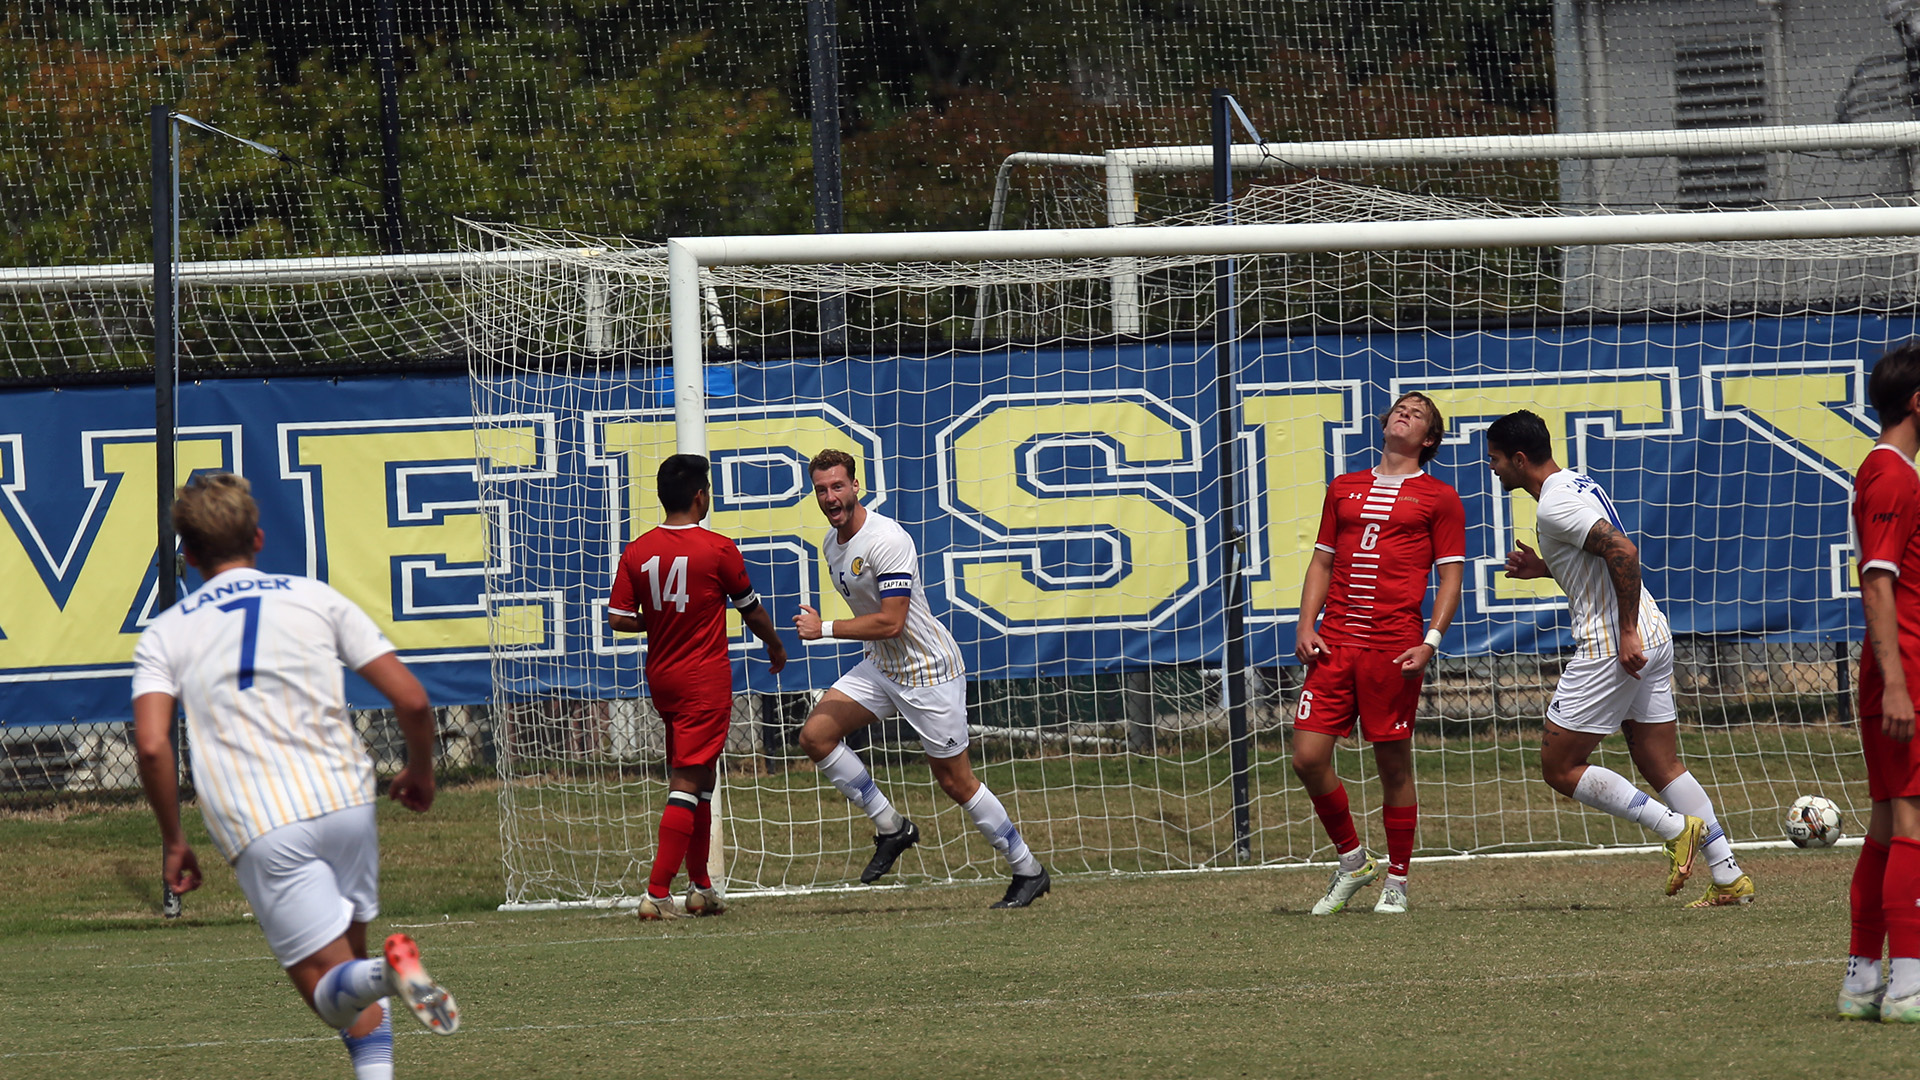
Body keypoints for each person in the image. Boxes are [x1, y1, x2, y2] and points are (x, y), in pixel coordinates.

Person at [131, 472, 459, 1080]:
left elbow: (151, 746)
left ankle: (389, 973)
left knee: (330, 990)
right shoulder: (315, 597)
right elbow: (412, 700)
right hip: (345, 799)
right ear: (258, 537)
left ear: (189, 557)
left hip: (259, 818)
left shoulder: (167, 632)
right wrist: (420, 770)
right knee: (351, 979)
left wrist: (175, 839)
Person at [1488, 410, 1749, 906]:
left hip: (1616, 642)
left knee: (1559, 766)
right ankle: (1728, 875)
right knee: (1661, 761)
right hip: (1651, 629)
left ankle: (1674, 828)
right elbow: (1595, 557)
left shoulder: (1553, 505)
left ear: (1520, 459)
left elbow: (1623, 553)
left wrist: (1626, 632)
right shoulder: (1575, 482)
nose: (1494, 468)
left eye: (1496, 460)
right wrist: (1546, 567)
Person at [791, 449, 1050, 908]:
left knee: (956, 783)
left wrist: (824, 629)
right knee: (816, 735)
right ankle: (892, 827)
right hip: (882, 666)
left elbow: (892, 621)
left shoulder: (887, 539)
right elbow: (880, 628)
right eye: (821, 490)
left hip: (927, 671)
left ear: (856, 487)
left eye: (838, 486)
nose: (831, 497)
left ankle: (1027, 869)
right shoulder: (832, 545)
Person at [1292, 392, 1465, 916]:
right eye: (1400, 408)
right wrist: (1306, 624)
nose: (1405, 414)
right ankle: (1353, 860)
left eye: (1418, 413)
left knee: (1392, 764)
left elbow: (1451, 576)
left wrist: (1429, 641)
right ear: (1385, 422)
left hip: (1393, 647)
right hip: (1335, 642)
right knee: (1307, 758)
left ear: (1429, 439)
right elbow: (1321, 562)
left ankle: (1398, 879)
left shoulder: (1439, 497)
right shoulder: (1344, 487)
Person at [607, 453, 789, 919]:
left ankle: (701, 887)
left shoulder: (638, 550)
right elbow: (751, 610)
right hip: (702, 678)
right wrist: (774, 645)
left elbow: (620, 618)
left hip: (663, 677)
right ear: (699, 496)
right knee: (688, 780)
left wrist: (664, 618)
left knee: (701, 777)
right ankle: (656, 893)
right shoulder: (718, 549)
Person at [1839, 343, 1920, 1022]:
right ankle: (1909, 985)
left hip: (1898, 667)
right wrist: (1897, 683)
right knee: (1913, 822)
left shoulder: (1883, 470)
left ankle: (1864, 981)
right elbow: (1877, 583)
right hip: (1906, 670)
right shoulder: (1893, 476)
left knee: (1889, 824)